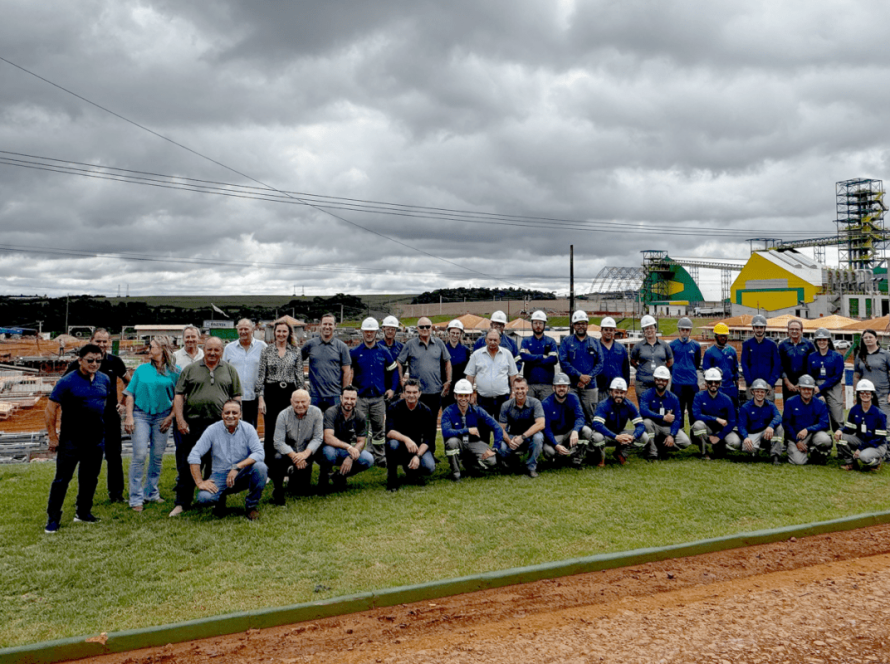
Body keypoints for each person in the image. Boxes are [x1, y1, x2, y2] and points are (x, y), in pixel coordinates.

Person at [170, 336, 242, 516]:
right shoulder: (190, 369)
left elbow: (236, 398)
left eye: (216, 350)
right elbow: (179, 395)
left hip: (220, 426)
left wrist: (235, 424)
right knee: (190, 463)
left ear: (221, 351)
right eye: (209, 349)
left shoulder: (230, 370)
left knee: (218, 464)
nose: (212, 353)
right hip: (193, 424)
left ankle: (217, 501)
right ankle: (182, 503)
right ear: (204, 348)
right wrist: (180, 420)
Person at [44, 344, 111, 533]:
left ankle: (83, 512)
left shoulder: (104, 380)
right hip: (71, 440)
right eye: (90, 360)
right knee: (62, 480)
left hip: (95, 439)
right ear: (80, 360)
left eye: (98, 360)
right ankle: (53, 518)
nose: (94, 364)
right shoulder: (67, 382)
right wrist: (52, 437)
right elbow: (50, 409)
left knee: (90, 478)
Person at [64, 328, 130, 503]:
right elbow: (63, 388)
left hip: (110, 418)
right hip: (86, 422)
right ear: (91, 340)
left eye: (105, 342)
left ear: (109, 343)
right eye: (98, 341)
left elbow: (129, 383)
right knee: (88, 458)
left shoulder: (115, 361)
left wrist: (122, 403)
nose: (101, 345)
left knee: (114, 456)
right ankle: (85, 496)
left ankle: (116, 494)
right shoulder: (78, 364)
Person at [123, 336, 179, 512]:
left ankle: (151, 492)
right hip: (141, 415)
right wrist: (129, 417)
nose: (149, 350)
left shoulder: (175, 372)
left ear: (163, 349)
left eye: (152, 347)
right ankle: (135, 497)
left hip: (162, 416)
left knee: (157, 457)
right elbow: (130, 394)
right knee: (139, 455)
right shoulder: (141, 370)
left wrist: (170, 418)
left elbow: (179, 398)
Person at [187, 400, 266, 521]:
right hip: (220, 474)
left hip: (243, 472)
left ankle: (251, 506)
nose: (230, 415)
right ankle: (220, 499)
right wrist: (199, 482)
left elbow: (260, 453)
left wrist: (237, 467)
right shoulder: (212, 430)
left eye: (234, 412)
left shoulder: (248, 429)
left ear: (240, 414)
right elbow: (194, 455)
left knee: (261, 468)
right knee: (204, 498)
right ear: (222, 414)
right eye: (227, 412)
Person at [350, 317, 399, 468]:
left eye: (372, 331)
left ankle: (379, 456)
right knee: (358, 429)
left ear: (377, 333)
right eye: (367, 331)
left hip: (378, 398)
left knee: (379, 430)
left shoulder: (383, 352)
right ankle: (356, 455)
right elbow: (348, 373)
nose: (369, 334)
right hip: (361, 398)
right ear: (362, 332)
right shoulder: (355, 352)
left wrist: (392, 388)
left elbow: (394, 371)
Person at [256, 319, 305, 467]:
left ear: (289, 333)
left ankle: (289, 464)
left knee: (290, 429)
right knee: (271, 428)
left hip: (289, 393)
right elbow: (260, 377)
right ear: (274, 333)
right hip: (271, 392)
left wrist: (301, 397)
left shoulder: (296, 351)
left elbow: (300, 377)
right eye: (279, 331)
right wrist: (261, 398)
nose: (281, 334)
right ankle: (270, 466)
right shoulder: (266, 351)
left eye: (284, 331)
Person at [441, 379, 503, 482]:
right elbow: (446, 432)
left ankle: (470, 466)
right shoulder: (448, 411)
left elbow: (497, 427)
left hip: (474, 443)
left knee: (492, 461)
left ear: (471, 396)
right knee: (452, 442)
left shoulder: (478, 410)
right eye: (460, 395)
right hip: (458, 443)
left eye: (466, 396)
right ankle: (456, 473)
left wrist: (495, 448)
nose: (463, 399)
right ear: (455, 396)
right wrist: (467, 430)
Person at [270, 389, 324, 503]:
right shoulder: (283, 415)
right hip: (290, 451)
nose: (300, 405)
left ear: (309, 401)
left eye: (303, 401)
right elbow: (278, 441)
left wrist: (305, 454)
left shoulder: (317, 413)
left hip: (308, 450)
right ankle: (278, 490)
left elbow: (318, 438)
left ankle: (322, 484)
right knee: (277, 458)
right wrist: (295, 456)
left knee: (301, 489)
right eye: (296, 402)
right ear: (291, 401)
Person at [465, 329, 519, 442]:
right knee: (483, 428)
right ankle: (485, 455)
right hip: (483, 399)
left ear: (499, 340)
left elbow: (513, 376)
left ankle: (501, 454)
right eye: (490, 339)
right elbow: (469, 376)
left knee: (501, 428)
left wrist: (513, 392)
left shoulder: (507, 354)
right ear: (485, 340)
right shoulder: (477, 355)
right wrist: (470, 394)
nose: (492, 342)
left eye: (495, 340)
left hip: (503, 399)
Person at [384, 379, 437, 491]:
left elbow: (428, 439)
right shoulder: (394, 407)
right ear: (403, 393)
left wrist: (418, 456)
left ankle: (412, 472)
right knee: (392, 444)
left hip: (417, 448)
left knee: (429, 467)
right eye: (408, 392)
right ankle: (392, 480)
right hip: (400, 446)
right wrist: (406, 439)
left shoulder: (426, 411)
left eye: (414, 392)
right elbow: (389, 431)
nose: (411, 395)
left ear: (419, 393)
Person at [320, 385, 374, 492]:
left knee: (368, 459)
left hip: (346, 451)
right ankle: (323, 478)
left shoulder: (360, 416)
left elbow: (361, 441)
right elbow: (328, 438)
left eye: (352, 399)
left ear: (356, 400)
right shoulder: (331, 412)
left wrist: (350, 457)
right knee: (329, 454)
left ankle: (340, 475)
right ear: (341, 398)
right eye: (346, 398)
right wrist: (349, 447)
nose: (349, 402)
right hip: (329, 448)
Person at [397, 316, 451, 416]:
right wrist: (401, 380)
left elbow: (447, 361)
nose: (425, 329)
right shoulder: (410, 344)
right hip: (416, 393)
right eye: (422, 327)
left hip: (435, 391)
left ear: (431, 328)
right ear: (417, 329)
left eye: (427, 326)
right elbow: (399, 362)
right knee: (416, 422)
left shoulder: (439, 343)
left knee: (432, 422)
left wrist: (448, 380)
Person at [559, 310, 604, 424]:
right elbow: (563, 361)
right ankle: (573, 438)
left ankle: (592, 438)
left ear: (587, 325)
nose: (581, 326)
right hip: (572, 386)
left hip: (590, 386)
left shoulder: (594, 342)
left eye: (583, 323)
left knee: (591, 414)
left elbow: (600, 363)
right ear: (573, 325)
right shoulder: (566, 341)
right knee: (571, 413)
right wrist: (579, 376)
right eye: (578, 323)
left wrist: (588, 378)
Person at [540, 373, 594, 467]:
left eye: (564, 386)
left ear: (568, 388)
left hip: (569, 433)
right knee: (548, 452)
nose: (561, 389)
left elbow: (580, 417)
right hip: (555, 435)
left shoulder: (573, 398)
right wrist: (555, 445)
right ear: (553, 388)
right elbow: (546, 428)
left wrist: (575, 431)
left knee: (586, 430)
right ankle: (559, 457)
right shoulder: (546, 403)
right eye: (559, 386)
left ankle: (576, 458)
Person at [301, 313, 352, 411]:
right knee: (314, 425)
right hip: (314, 396)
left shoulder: (342, 347)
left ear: (335, 326)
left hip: (335, 396)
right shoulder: (310, 344)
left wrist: (344, 393)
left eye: (330, 324)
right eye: (325, 324)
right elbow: (297, 363)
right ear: (320, 325)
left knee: (334, 425)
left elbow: (346, 371)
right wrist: (301, 382)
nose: (327, 327)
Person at [591, 377, 647, 466]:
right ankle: (600, 459)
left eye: (622, 393)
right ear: (610, 392)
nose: (619, 395)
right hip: (606, 435)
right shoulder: (603, 404)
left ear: (625, 393)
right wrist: (616, 436)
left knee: (644, 437)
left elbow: (640, 425)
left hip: (620, 433)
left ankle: (621, 454)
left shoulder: (629, 405)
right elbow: (597, 424)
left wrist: (633, 437)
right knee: (597, 437)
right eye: (616, 392)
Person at [639, 366, 691, 461]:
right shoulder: (646, 394)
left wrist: (672, 435)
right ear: (654, 380)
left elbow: (678, 419)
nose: (661, 382)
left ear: (667, 381)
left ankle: (663, 448)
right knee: (646, 422)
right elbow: (643, 411)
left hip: (667, 428)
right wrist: (662, 417)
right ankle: (652, 453)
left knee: (685, 441)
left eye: (663, 380)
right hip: (653, 426)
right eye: (658, 379)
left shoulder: (673, 398)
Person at [497, 377, 545, 478]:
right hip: (512, 436)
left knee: (538, 437)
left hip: (529, 436)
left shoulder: (535, 403)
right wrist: (509, 441)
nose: (520, 391)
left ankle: (531, 467)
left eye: (522, 388)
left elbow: (541, 424)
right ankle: (511, 463)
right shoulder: (506, 405)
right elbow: (501, 428)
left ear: (527, 388)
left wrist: (522, 437)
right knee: (500, 446)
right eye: (517, 388)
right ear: (513, 389)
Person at [222, 319, 266, 428]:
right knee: (233, 427)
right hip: (234, 397)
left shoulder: (263, 347)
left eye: (246, 329)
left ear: (252, 330)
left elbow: (267, 371)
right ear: (237, 330)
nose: (243, 331)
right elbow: (223, 371)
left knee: (252, 428)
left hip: (255, 396)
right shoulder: (229, 348)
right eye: (240, 329)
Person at [835, 379, 888, 471]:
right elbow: (849, 428)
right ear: (858, 394)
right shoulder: (854, 410)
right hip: (861, 440)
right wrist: (840, 430)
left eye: (868, 392)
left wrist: (860, 449)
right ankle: (851, 463)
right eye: (862, 392)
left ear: (872, 395)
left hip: (877, 445)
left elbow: (879, 439)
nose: (865, 395)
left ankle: (876, 461)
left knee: (864, 457)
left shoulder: (879, 414)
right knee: (840, 439)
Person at [782, 374, 832, 465]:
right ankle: (806, 450)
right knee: (798, 462)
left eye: (809, 389)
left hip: (813, 434)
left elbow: (824, 423)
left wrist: (808, 429)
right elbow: (786, 424)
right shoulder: (790, 402)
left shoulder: (820, 404)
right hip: (796, 436)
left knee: (825, 440)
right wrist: (796, 441)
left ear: (813, 390)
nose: (806, 391)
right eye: (804, 388)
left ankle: (817, 452)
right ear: (799, 389)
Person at [692, 368, 740, 459]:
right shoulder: (698, 396)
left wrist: (719, 436)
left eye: (716, 382)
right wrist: (716, 419)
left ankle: (719, 445)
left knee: (735, 443)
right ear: (706, 383)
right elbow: (696, 415)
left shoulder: (726, 399)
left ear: (720, 383)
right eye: (710, 382)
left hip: (721, 430)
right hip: (706, 429)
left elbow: (732, 421)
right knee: (698, 425)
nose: (713, 384)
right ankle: (704, 452)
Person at [734, 379, 784, 464]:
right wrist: (746, 437)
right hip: (752, 433)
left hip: (766, 433)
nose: (759, 394)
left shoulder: (771, 405)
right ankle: (755, 452)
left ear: (766, 393)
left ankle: (775, 456)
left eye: (762, 392)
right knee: (749, 450)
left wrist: (770, 426)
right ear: (752, 392)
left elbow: (778, 417)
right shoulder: (745, 407)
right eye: (757, 391)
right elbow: (741, 425)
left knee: (779, 428)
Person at [808, 328, 845, 431]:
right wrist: (818, 393)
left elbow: (838, 376)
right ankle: (823, 442)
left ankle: (840, 442)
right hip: (815, 387)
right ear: (816, 342)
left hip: (833, 385)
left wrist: (821, 387)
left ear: (828, 341)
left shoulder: (837, 356)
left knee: (837, 416)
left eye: (824, 340)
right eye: (819, 340)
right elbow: (810, 375)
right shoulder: (812, 357)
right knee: (816, 415)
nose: (822, 342)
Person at [519, 310, 559, 401]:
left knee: (546, 410)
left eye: (540, 323)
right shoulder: (526, 341)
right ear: (531, 324)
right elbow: (524, 357)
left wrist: (532, 358)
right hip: (529, 383)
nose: (538, 325)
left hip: (547, 384)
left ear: (544, 325)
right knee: (530, 411)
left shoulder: (551, 341)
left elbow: (553, 360)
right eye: (535, 323)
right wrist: (542, 357)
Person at [669, 317, 701, 426]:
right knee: (678, 408)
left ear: (690, 331)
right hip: (677, 383)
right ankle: (679, 430)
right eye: (682, 329)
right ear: (679, 330)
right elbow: (669, 363)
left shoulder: (696, 346)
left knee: (693, 409)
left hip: (691, 383)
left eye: (687, 330)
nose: (684, 332)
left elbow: (696, 363)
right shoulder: (672, 345)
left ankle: (694, 432)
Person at [740, 315, 780, 401]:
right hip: (752, 386)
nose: (759, 329)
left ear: (764, 328)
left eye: (761, 327)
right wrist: (750, 383)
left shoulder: (772, 345)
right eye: (756, 327)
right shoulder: (747, 344)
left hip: (767, 386)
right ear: (753, 328)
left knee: (768, 411)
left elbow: (777, 365)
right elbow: (744, 364)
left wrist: (770, 383)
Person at [630, 315, 673, 394]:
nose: (649, 330)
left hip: (660, 383)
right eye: (646, 328)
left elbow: (670, 360)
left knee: (659, 405)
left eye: (651, 328)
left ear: (655, 329)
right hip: (642, 383)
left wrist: (662, 368)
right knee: (644, 405)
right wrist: (641, 368)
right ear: (643, 331)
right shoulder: (638, 346)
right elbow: (632, 361)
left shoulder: (664, 345)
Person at [853, 329, 890, 420]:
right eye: (865, 337)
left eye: (870, 337)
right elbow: (856, 375)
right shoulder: (860, 356)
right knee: (867, 419)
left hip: (883, 393)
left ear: (876, 339)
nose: (868, 339)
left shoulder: (885, 354)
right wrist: (855, 392)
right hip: (865, 393)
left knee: (885, 419)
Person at [702, 323, 740, 410]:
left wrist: (737, 386)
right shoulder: (709, 352)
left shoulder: (732, 351)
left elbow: (735, 369)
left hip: (731, 388)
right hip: (717, 388)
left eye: (725, 336)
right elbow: (706, 372)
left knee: (734, 411)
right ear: (716, 336)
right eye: (721, 336)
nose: (723, 338)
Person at [596, 317, 631, 404]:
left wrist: (625, 385)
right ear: (601, 330)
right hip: (600, 388)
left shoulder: (621, 348)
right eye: (606, 329)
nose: (608, 332)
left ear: (614, 331)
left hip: (617, 389)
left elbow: (626, 369)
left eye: (611, 330)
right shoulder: (594, 346)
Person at [779, 319, 815, 397]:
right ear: (788, 330)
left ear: (801, 330)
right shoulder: (782, 345)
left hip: (805, 384)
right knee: (789, 407)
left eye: (797, 329)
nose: (794, 331)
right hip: (788, 385)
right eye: (792, 329)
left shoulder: (809, 345)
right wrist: (787, 382)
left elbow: (811, 365)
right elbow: (779, 365)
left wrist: (801, 383)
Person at [442, 319, 471, 410]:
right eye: (453, 332)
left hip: (460, 386)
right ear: (449, 333)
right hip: (446, 387)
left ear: (461, 334)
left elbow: (468, 370)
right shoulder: (442, 349)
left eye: (457, 333)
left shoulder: (465, 350)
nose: (455, 335)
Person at [380, 315, 404, 405]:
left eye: (393, 329)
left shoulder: (401, 347)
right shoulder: (377, 346)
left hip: (397, 388)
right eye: (388, 329)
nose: (390, 331)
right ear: (383, 329)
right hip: (381, 387)